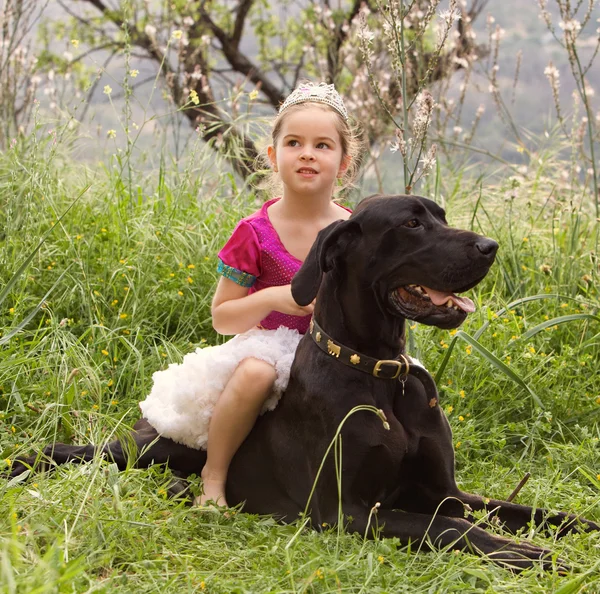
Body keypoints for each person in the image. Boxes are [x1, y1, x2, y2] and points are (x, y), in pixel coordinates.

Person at [139, 82, 363, 507]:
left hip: (333, 348)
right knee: (256, 373)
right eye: (294, 142)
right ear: (274, 156)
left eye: (323, 145)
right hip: (271, 344)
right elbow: (223, 318)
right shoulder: (255, 233)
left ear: (344, 161)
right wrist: (273, 299)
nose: (308, 153)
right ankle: (214, 474)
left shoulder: (354, 230)